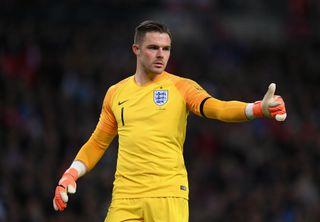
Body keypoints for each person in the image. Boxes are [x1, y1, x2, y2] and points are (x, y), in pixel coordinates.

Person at [53, 20, 287, 221]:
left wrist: (256, 109)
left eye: (166, 49)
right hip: (125, 196)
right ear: (136, 49)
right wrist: (71, 173)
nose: (160, 55)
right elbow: (98, 142)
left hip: (167, 193)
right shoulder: (115, 93)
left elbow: (217, 108)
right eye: (153, 48)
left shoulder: (181, 87)